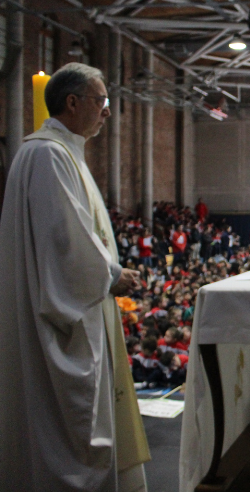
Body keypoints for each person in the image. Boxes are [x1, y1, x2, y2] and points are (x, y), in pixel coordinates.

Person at [0, 63, 150, 490]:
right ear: (72, 102)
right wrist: (109, 277)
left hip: (82, 301)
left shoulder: (62, 153)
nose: (107, 111)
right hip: (66, 315)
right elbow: (63, 243)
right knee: (71, 429)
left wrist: (111, 270)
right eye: (101, 101)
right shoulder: (47, 155)